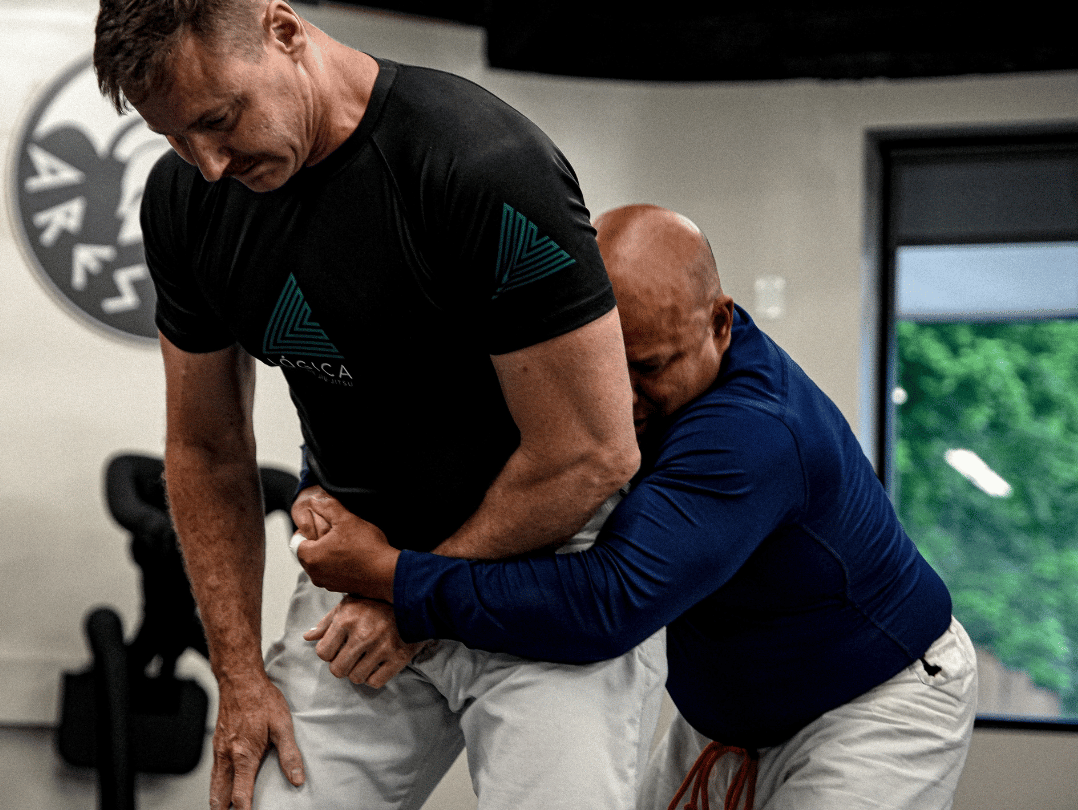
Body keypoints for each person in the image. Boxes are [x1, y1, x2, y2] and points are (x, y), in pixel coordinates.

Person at [92, 0, 666, 810]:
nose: (208, 163)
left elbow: (593, 454)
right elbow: (206, 449)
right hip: (359, 580)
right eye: (174, 137)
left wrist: (414, 594)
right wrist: (240, 678)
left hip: (544, 571)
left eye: (219, 119)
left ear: (285, 32)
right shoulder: (188, 203)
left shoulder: (477, 162)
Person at [298, 204, 979, 809]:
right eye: (604, 362)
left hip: (875, 704)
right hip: (725, 723)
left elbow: (609, 601)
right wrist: (317, 483)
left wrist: (393, 579)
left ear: (720, 323)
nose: (618, 399)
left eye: (649, 368)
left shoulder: (753, 433)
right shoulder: (580, 362)